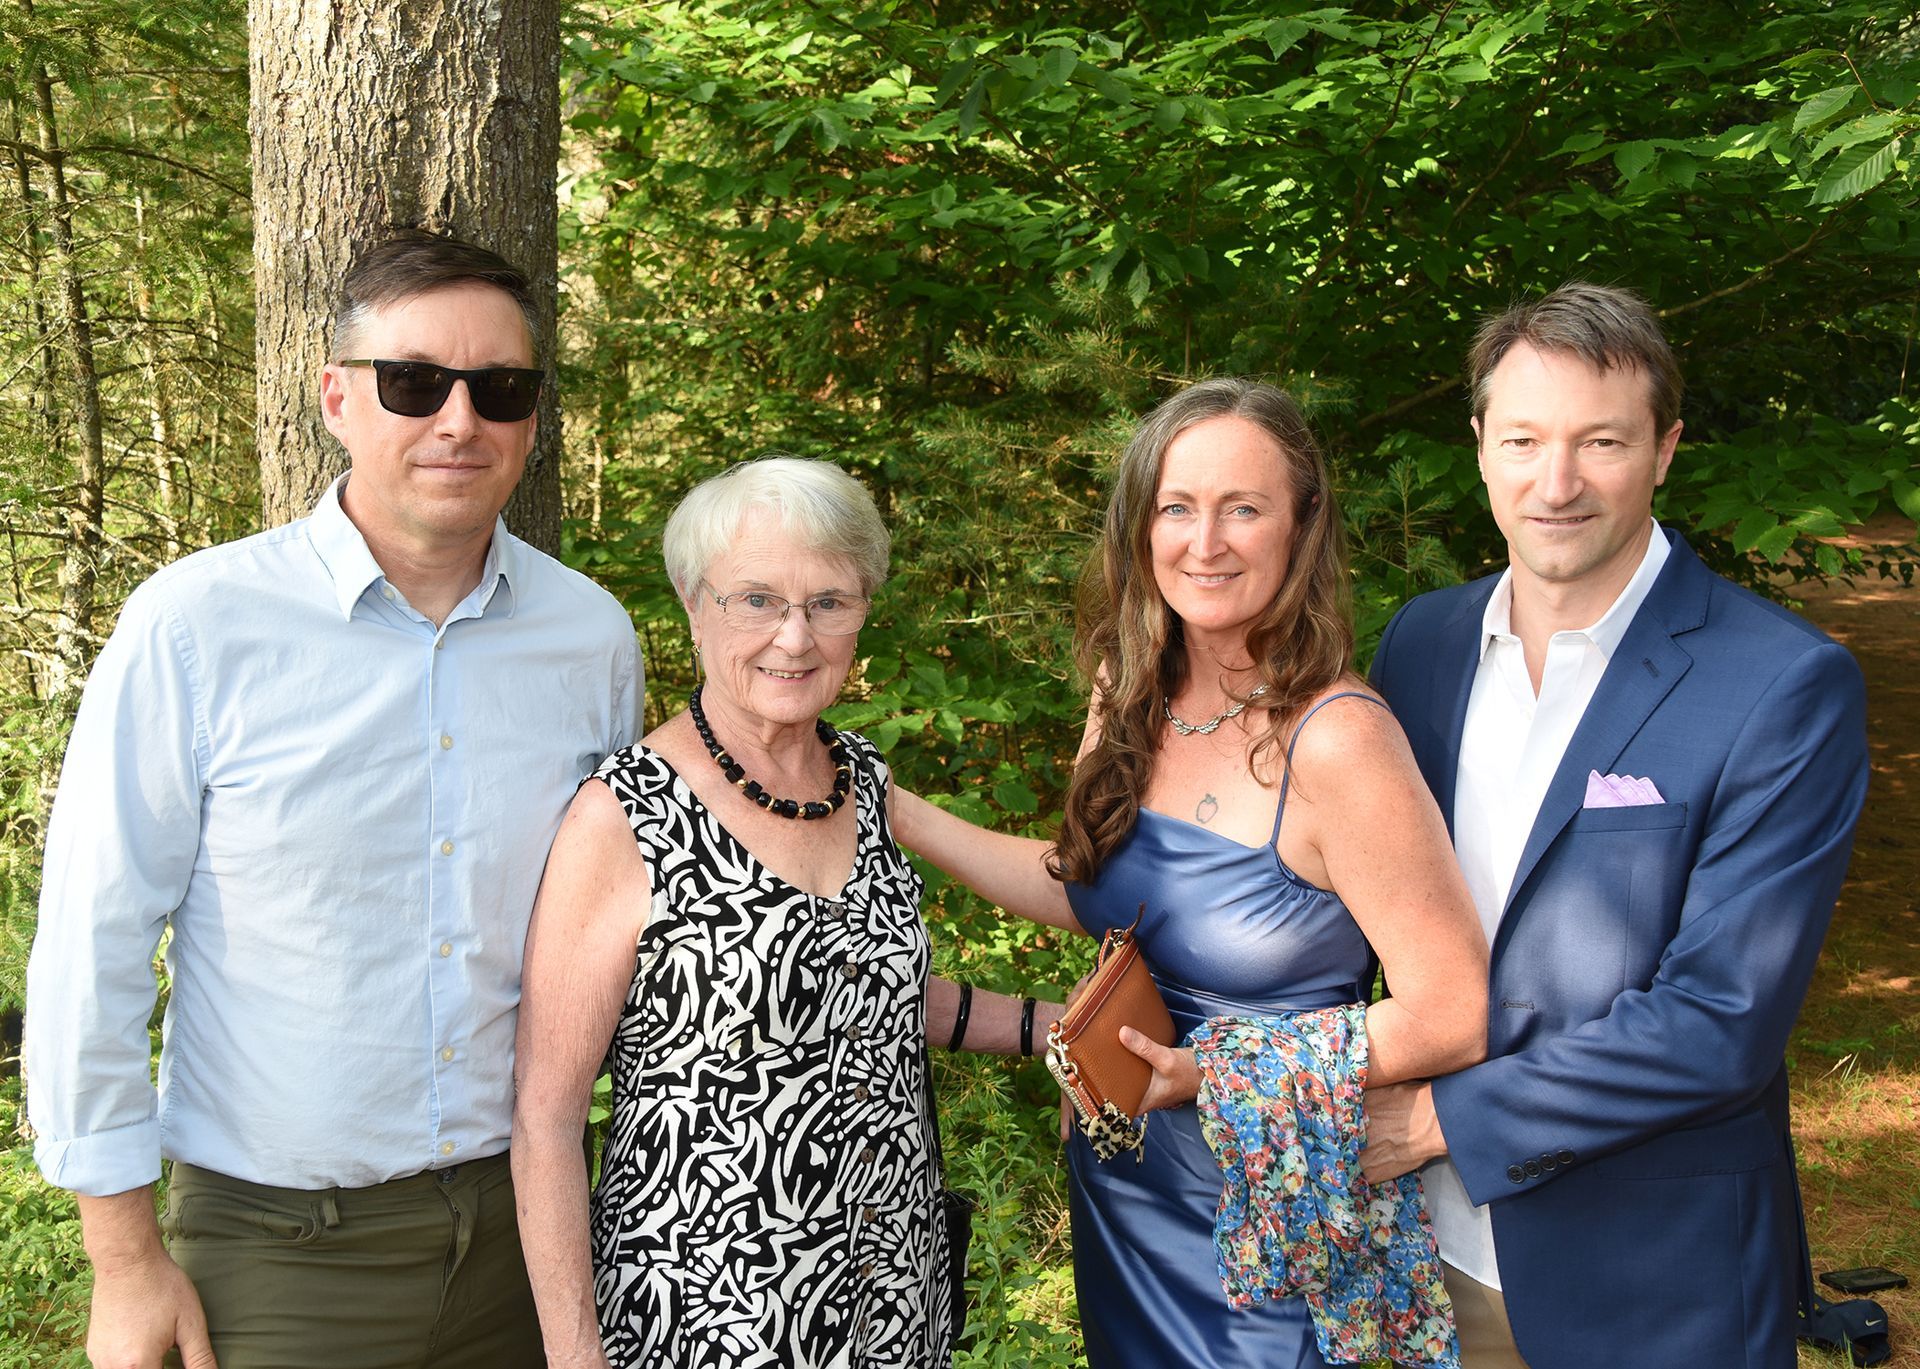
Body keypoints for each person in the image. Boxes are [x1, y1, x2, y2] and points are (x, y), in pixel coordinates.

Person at [23, 229, 642, 1368]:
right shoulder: (198, 628)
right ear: (335, 399)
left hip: (531, 1238)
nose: (459, 420)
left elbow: (614, 932)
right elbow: (93, 941)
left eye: (500, 388)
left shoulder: (591, 639)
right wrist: (123, 1256)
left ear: (533, 419)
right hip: (280, 1253)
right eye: (413, 382)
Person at [890, 378, 1489, 1368]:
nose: (1205, 541)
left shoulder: (1339, 741)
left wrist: (1207, 1073)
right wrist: (899, 813)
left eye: (1242, 508)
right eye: (1178, 507)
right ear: (1141, 527)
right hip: (1126, 1193)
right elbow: (1090, 889)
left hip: (1270, 1216)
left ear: (1300, 523)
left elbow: (1453, 1010)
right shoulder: (1128, 692)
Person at [1361, 283, 1870, 1369]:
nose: (1557, 482)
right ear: (1481, 448)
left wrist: (1444, 1120)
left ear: (1665, 449)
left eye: (1601, 441)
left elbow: (1720, 1022)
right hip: (1427, 1262)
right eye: (1524, 439)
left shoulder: (1780, 683)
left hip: (1651, 1284)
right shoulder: (1422, 646)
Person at [512, 455, 1057, 1369]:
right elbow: (546, 1117)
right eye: (756, 599)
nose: (795, 638)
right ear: (693, 603)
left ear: (863, 612)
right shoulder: (626, 814)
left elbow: (868, 991)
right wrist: (576, 1357)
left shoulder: (862, 782)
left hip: (894, 1301)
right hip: (711, 1317)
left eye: (828, 603)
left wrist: (1053, 1029)